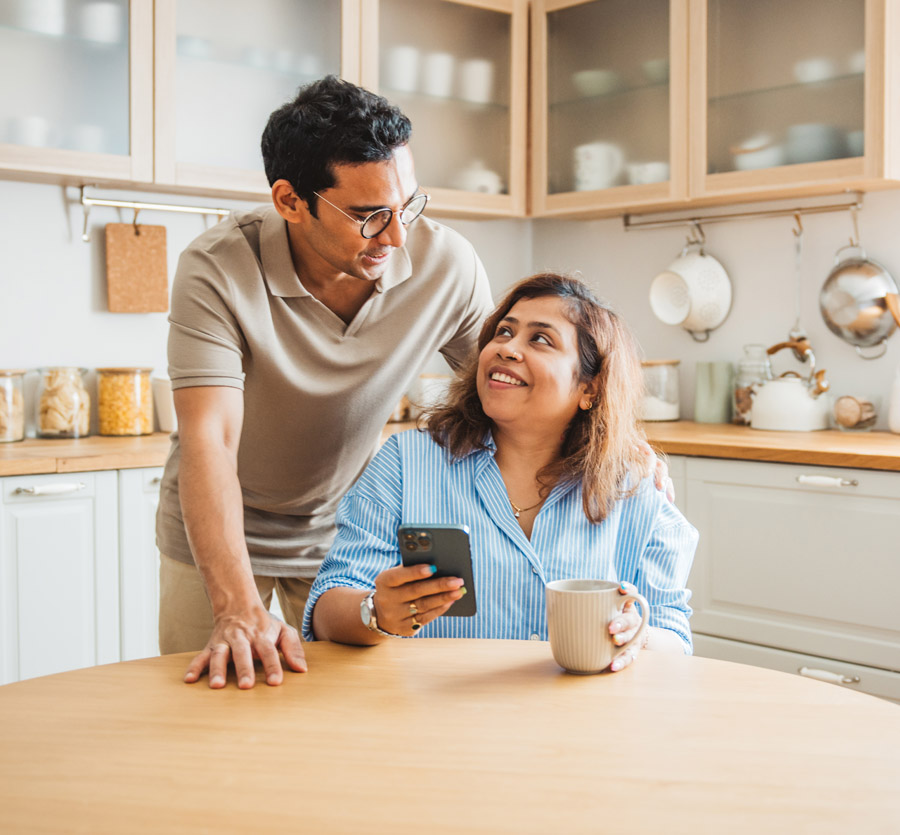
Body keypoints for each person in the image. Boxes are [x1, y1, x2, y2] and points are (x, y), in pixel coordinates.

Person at [155, 75, 495, 689]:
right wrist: (235, 607)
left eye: (408, 205)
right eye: (368, 216)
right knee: (210, 722)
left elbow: (508, 392)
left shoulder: (448, 266)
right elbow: (209, 440)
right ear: (289, 201)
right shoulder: (216, 269)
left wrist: (615, 445)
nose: (396, 236)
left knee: (355, 714)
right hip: (222, 534)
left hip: (348, 534)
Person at [305, 273, 697, 670]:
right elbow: (325, 612)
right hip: (433, 718)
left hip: (578, 723)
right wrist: (376, 613)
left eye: (540, 339)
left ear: (589, 389)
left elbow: (674, 636)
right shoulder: (406, 463)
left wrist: (639, 634)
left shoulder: (636, 487)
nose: (507, 348)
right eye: (504, 332)